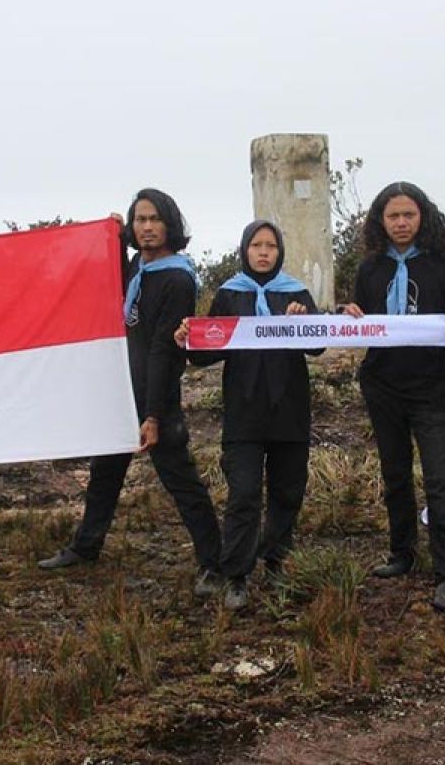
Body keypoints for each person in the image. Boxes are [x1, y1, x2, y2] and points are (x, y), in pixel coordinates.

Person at [39, 189, 223, 597]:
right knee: (104, 475)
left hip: (154, 397)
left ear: (170, 224)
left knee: (181, 481)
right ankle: (86, 546)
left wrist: (154, 415)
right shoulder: (141, 265)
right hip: (119, 388)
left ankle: (215, 563)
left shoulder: (177, 278)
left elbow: (163, 349)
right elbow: (117, 284)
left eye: (154, 219)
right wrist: (113, 239)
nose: (147, 227)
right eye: (139, 220)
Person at [175, 221, 319, 611]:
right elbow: (207, 352)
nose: (263, 252)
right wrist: (189, 337)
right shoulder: (229, 295)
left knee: (287, 491)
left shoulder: (296, 293)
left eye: (271, 245)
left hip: (289, 411)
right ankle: (236, 574)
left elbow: (319, 345)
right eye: (256, 244)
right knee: (243, 494)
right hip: (244, 414)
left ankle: (276, 559)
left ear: (280, 251)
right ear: (244, 249)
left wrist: (301, 322)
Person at [343, 182, 445, 613]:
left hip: (429, 386)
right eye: (392, 216)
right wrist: (351, 317)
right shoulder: (369, 268)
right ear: (380, 220)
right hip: (382, 384)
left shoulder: (444, 266)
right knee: (394, 473)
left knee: (440, 479)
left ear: (423, 217)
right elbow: (361, 319)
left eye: (408, 215)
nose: (400, 223)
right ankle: (402, 552)